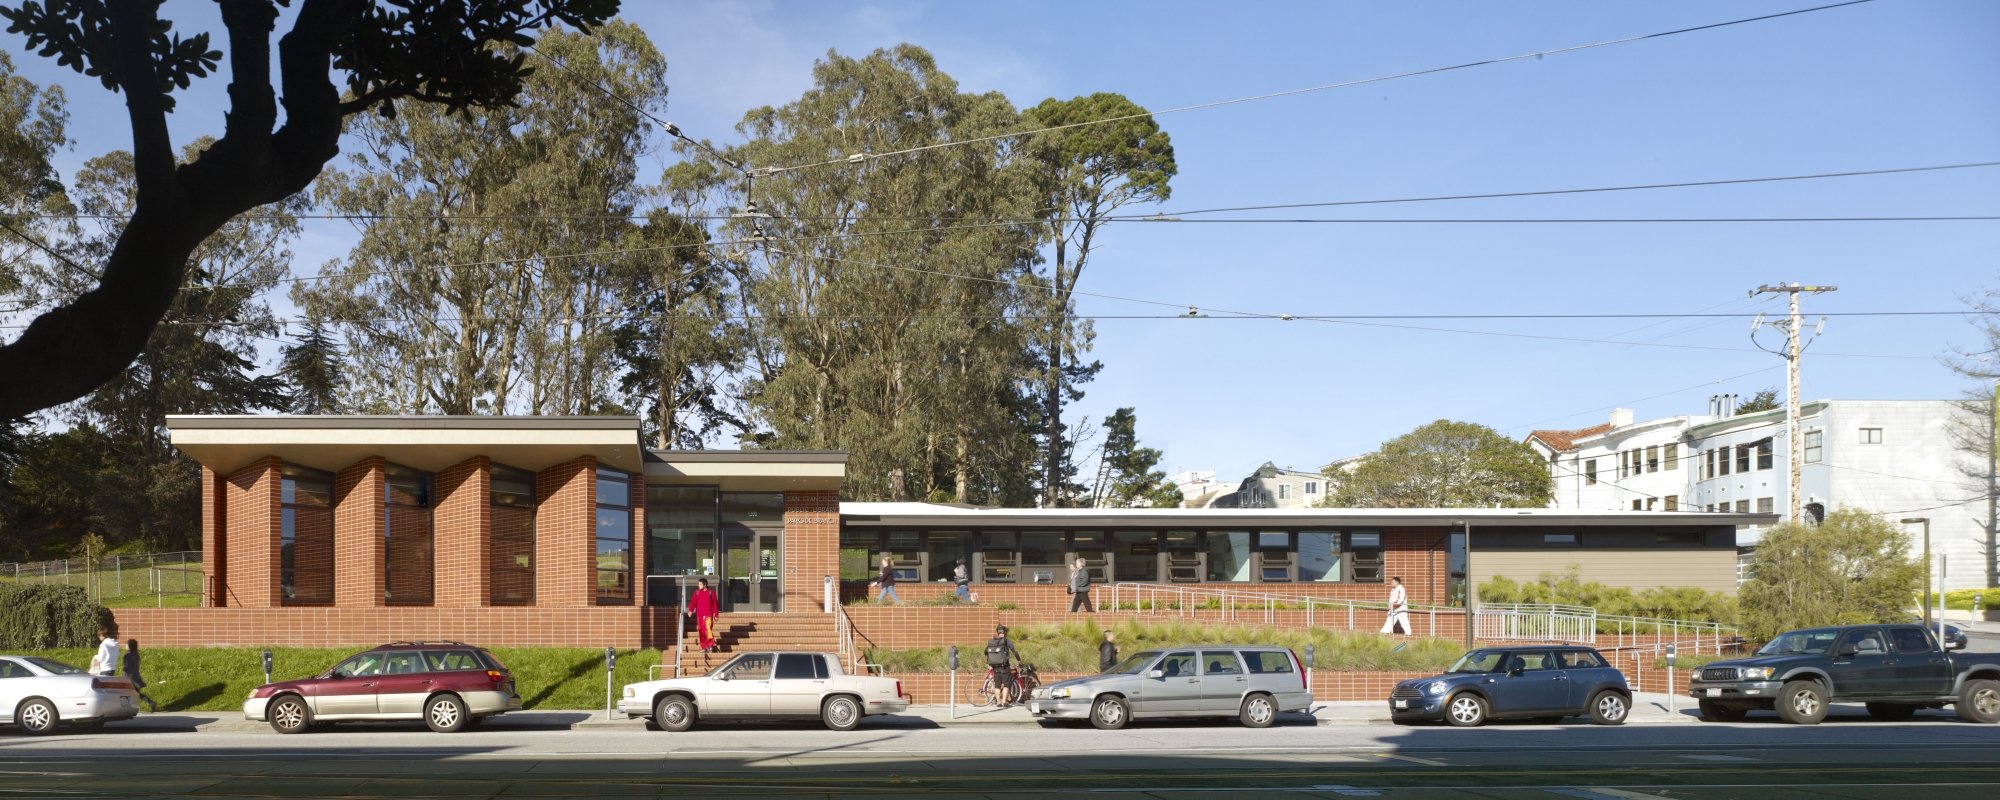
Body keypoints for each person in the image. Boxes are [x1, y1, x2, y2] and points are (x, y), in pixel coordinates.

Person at [985, 625, 1019, 705]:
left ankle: (998, 702)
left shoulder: (992, 642)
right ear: (1005, 632)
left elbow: (985, 651)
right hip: (1004, 666)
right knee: (1006, 684)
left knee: (997, 685)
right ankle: (1004, 701)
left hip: (995, 666)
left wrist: (988, 659)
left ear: (998, 632)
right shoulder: (1006, 641)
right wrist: (1019, 661)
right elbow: (1015, 652)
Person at [123, 639, 157, 712]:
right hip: (136, 675)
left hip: (129, 677)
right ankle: (151, 703)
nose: (125, 645)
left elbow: (128, 666)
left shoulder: (128, 655)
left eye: (126, 644)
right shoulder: (136, 654)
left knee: (127, 693)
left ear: (129, 646)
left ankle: (128, 708)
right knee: (136, 694)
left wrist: (128, 677)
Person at [690, 578, 721, 653]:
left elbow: (715, 605)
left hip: (708, 614)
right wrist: (690, 610)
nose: (698, 585)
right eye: (698, 584)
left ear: (705, 585)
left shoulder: (711, 592)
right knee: (701, 631)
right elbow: (693, 602)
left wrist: (716, 615)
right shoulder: (697, 592)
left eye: (700, 584)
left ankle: (710, 645)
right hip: (699, 615)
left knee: (708, 629)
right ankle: (704, 647)